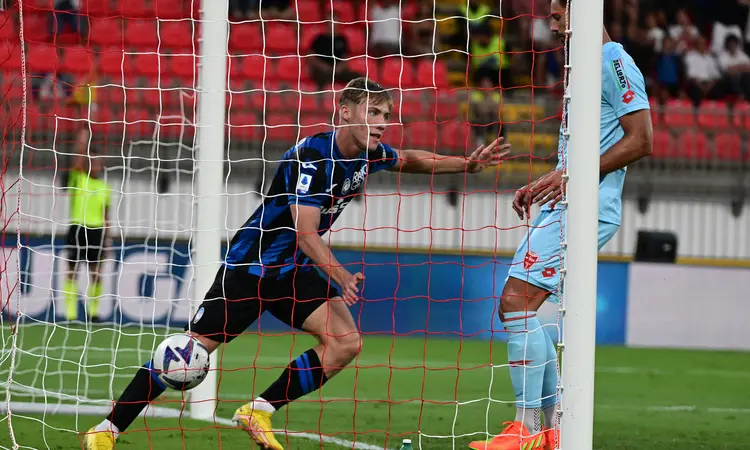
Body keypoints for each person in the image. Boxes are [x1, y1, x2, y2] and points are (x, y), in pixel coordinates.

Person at [83, 77, 511, 450]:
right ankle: (106, 429)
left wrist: (467, 164)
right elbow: (306, 233)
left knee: (346, 342)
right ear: (344, 112)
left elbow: (412, 159)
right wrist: (339, 274)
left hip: (293, 273)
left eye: (386, 115)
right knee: (189, 353)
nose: (383, 122)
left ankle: (259, 409)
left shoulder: (366, 153)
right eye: (373, 112)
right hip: (253, 268)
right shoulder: (314, 156)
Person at [468, 1, 653, 449]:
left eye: (557, 14)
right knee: (525, 309)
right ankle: (549, 430)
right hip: (570, 201)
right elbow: (585, 151)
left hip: (588, 205)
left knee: (515, 303)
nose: (550, 23)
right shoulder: (583, 67)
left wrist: (571, 178)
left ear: (585, 12)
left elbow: (642, 140)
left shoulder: (614, 62)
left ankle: (527, 430)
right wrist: (548, 181)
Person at [63, 125, 111, 323]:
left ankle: (93, 311)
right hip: (78, 227)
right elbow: (77, 161)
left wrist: (108, 240)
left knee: (96, 274)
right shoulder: (79, 179)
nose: (97, 165)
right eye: (94, 162)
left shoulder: (105, 187)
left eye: (99, 163)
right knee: (72, 272)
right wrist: (83, 140)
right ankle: (71, 314)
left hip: (97, 230)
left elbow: (107, 216)